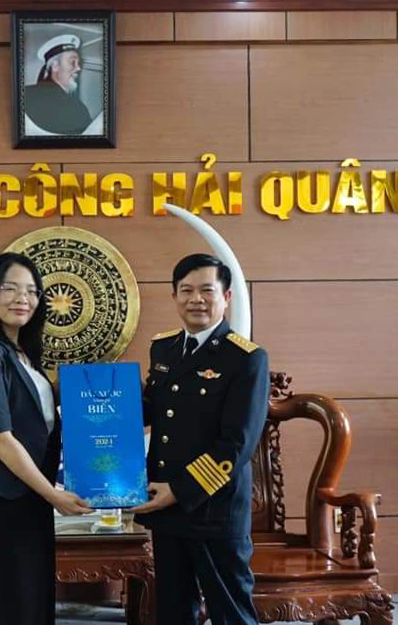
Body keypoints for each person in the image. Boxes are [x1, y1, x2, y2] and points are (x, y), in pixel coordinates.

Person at [129, 253, 270, 625]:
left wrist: (179, 490)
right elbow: (154, 410)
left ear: (226, 297)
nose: (196, 299)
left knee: (231, 613)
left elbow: (237, 445)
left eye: (207, 290)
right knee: (173, 612)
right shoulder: (164, 348)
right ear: (174, 296)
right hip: (165, 506)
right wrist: (99, 403)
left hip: (214, 509)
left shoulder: (246, 358)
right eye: (186, 290)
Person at [0, 252, 92, 625]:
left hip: (29, 499)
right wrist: (53, 495)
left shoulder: (23, 354)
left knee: (32, 602)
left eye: (32, 291)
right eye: (10, 288)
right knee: (7, 605)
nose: (23, 298)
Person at [24, 33, 93, 135]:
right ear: (55, 65)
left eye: (78, 63)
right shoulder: (27, 96)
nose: (78, 68)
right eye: (72, 62)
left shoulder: (78, 106)